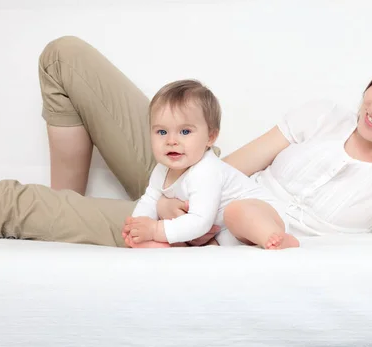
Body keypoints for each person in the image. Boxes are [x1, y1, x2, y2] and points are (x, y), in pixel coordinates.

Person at [0, 36, 372, 246]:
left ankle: (56, 218)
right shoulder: (321, 116)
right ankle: (63, 216)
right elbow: (225, 165)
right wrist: (172, 193)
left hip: (207, 236)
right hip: (192, 182)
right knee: (65, 57)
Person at [122, 79, 298, 250]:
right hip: (224, 233)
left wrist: (155, 230)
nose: (171, 141)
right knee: (162, 235)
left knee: (235, 212)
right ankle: (169, 246)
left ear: (210, 137)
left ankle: (274, 237)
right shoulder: (161, 170)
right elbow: (150, 200)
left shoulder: (205, 170)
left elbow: (200, 220)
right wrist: (137, 225)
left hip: (263, 215)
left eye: (185, 131)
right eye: (162, 131)